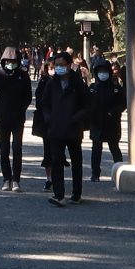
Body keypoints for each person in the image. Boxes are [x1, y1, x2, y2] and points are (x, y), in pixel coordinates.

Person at [33, 50, 90, 208]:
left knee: (76, 161)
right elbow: (44, 103)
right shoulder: (52, 83)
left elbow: (88, 105)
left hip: (73, 128)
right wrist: (48, 118)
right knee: (56, 160)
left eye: (61, 65)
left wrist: (76, 118)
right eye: (56, 65)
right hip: (56, 128)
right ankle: (59, 194)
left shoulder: (78, 83)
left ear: (69, 65)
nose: (58, 68)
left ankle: (76, 193)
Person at [0, 47, 32, 191]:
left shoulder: (23, 76)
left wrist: (22, 108)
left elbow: (28, 96)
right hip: (2, 117)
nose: (10, 63)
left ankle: (16, 179)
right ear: (4, 61)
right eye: (8, 61)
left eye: (13, 61)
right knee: (4, 150)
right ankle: (6, 178)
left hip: (18, 118)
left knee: (17, 148)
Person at [86, 57, 126, 181]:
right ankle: (95, 174)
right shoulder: (92, 88)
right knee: (96, 149)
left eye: (105, 71)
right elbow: (86, 104)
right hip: (96, 123)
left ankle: (119, 173)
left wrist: (113, 112)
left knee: (114, 147)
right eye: (100, 71)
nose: (102, 74)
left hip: (112, 123)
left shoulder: (115, 88)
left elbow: (123, 103)